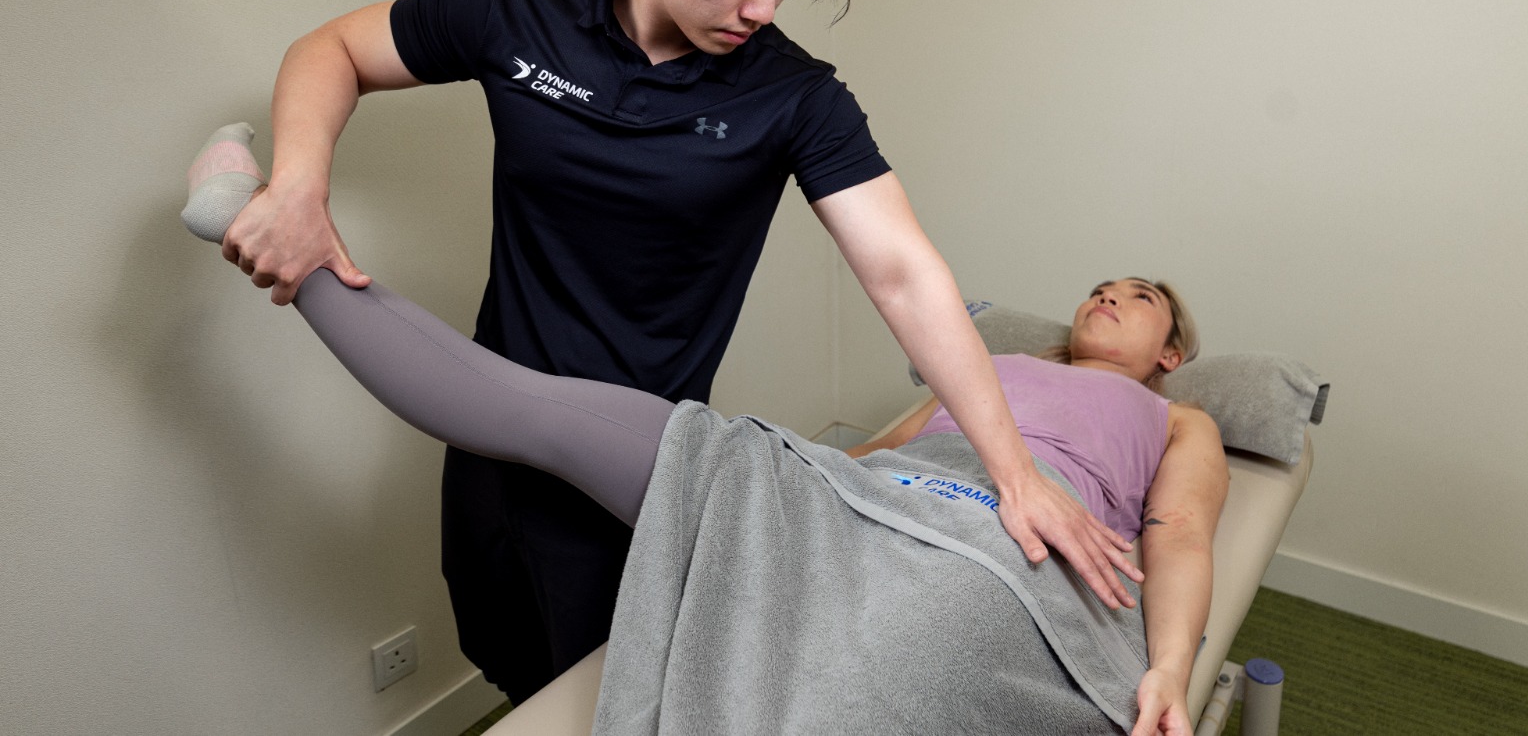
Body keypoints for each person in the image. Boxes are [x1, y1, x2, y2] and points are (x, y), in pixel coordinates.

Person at [207, 0, 1136, 704]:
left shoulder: (795, 96)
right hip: (483, 429)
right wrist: (300, 182)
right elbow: (331, 49)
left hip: (637, 466)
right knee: (507, 660)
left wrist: (1016, 473)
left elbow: (903, 272)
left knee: (620, 695)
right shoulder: (515, 13)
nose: (763, 9)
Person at [183, 131, 1228, 735]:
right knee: (544, 411)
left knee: (867, 670)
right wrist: (778, 485)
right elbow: (878, 450)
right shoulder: (990, 365)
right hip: (861, 499)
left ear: (1171, 351)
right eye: (1101, 285)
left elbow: (1178, 533)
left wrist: (1170, 666)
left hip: (1005, 546)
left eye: (1137, 296)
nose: (1108, 295)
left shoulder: (1178, 419)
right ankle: (270, 232)